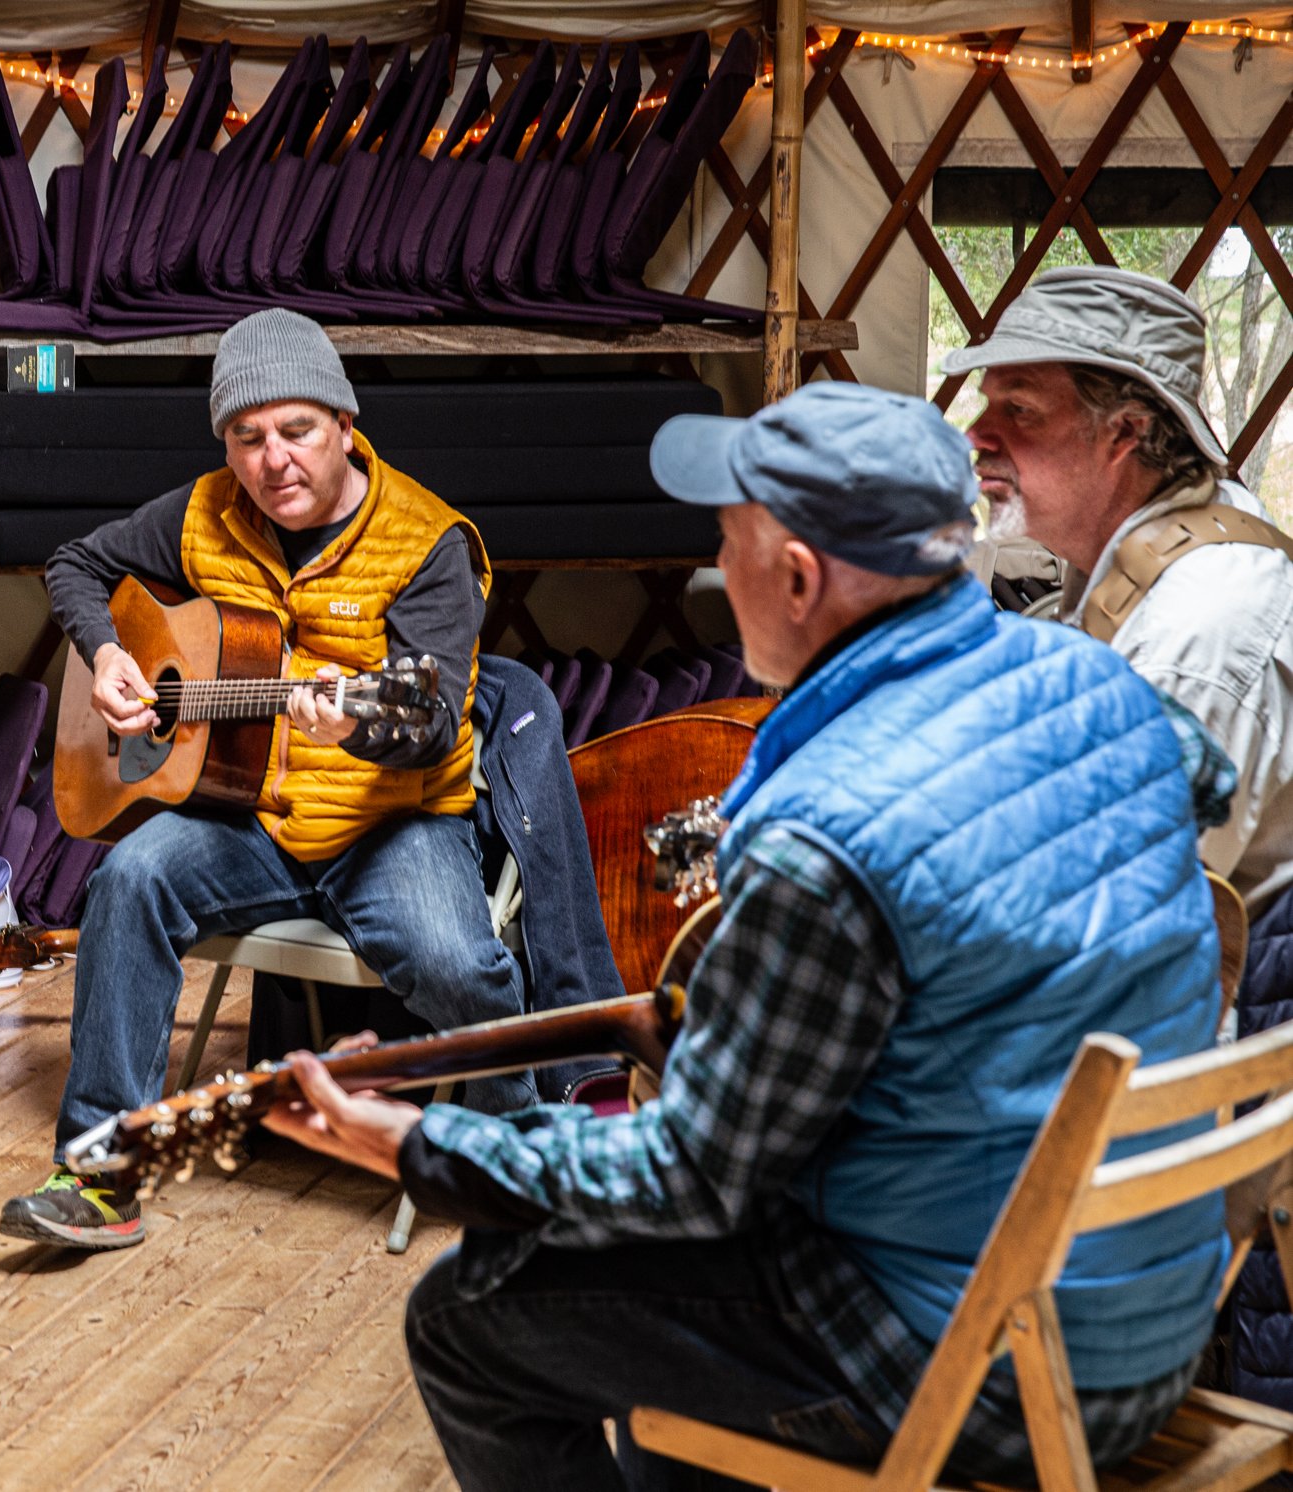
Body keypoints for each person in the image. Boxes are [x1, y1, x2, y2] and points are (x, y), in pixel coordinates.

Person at [263, 382, 1230, 1489]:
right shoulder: (1100, 683)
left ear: (800, 578)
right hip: (1153, 1306)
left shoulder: (823, 835)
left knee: (467, 1310)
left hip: (988, 1366)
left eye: (727, 546)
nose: (715, 576)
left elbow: (690, 1177)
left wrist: (418, 1144)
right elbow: (1204, 790)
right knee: (667, 1308)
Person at [4, 307, 525, 1252]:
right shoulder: (203, 512)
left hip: (390, 823)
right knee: (128, 879)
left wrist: (359, 726)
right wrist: (109, 652)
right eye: (247, 437)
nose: (272, 459)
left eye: (296, 430)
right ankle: (100, 1174)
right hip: (251, 818)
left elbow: (431, 722)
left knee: (458, 965)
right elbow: (76, 564)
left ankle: (521, 1164)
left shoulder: (427, 542)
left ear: (345, 427)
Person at [952, 265, 1293, 920]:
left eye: (1018, 409)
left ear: (1125, 433)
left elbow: (1103, 913)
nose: (976, 434)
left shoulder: (1195, 635)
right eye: (987, 403)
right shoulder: (1162, 536)